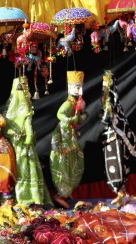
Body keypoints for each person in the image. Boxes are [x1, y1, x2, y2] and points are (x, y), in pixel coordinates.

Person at [2, 76, 52, 207]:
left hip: (13, 150)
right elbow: (29, 131)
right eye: (26, 90)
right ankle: (31, 199)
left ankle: (15, 199)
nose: (29, 94)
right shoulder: (25, 111)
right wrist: (29, 138)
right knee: (28, 172)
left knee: (16, 173)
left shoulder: (8, 112)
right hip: (25, 149)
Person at [100, 70, 136, 205]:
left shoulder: (111, 100)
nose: (104, 86)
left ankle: (121, 192)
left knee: (118, 165)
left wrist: (106, 116)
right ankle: (120, 192)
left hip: (116, 137)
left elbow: (107, 119)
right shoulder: (107, 100)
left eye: (107, 83)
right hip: (110, 136)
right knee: (113, 165)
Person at [50, 71, 87, 209]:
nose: (79, 90)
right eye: (76, 87)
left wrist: (80, 116)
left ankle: (67, 191)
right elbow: (60, 114)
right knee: (64, 163)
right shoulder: (67, 104)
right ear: (70, 87)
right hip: (64, 137)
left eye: (80, 87)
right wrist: (71, 119)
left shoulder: (77, 103)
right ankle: (60, 194)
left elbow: (82, 118)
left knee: (73, 162)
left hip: (71, 137)